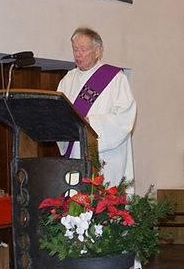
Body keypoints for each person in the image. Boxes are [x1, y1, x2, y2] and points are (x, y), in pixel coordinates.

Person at [57, 27, 137, 188]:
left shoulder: (115, 78)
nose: (78, 54)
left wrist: (90, 123)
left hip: (107, 156)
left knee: (105, 203)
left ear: (98, 51)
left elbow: (125, 117)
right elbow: (58, 113)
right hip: (76, 154)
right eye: (75, 49)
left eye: (83, 49)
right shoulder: (68, 79)